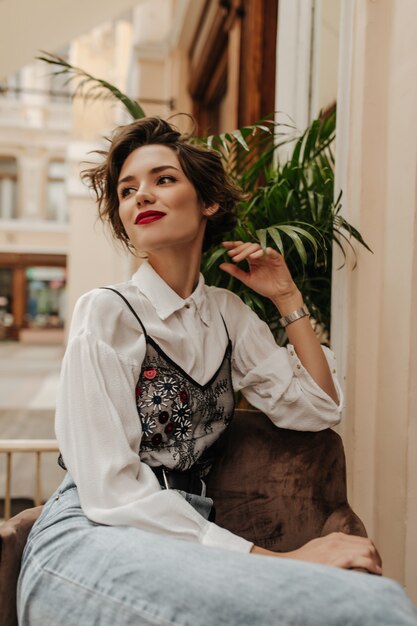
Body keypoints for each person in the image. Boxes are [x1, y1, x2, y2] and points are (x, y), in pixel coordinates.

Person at [17, 117, 417, 625]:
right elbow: (108, 491)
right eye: (126, 190)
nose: (141, 196)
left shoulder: (228, 315)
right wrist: (283, 561)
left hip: (185, 539)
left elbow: (319, 409)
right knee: (365, 605)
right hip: (93, 539)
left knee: (371, 603)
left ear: (207, 202)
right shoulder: (107, 312)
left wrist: (287, 298)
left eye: (163, 179)